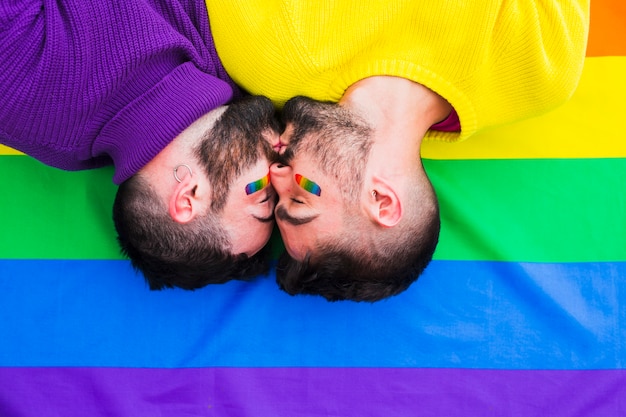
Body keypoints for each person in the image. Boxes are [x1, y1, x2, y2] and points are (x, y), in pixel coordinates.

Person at [205, 0, 590, 301]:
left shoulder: (269, 58)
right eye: (300, 198)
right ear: (381, 200)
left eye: (276, 194)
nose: (275, 173)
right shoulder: (542, 70)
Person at [0, 1, 281, 289]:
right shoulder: (245, 84)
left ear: (188, 197)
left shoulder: (32, 100)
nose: (280, 174)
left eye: (265, 198)